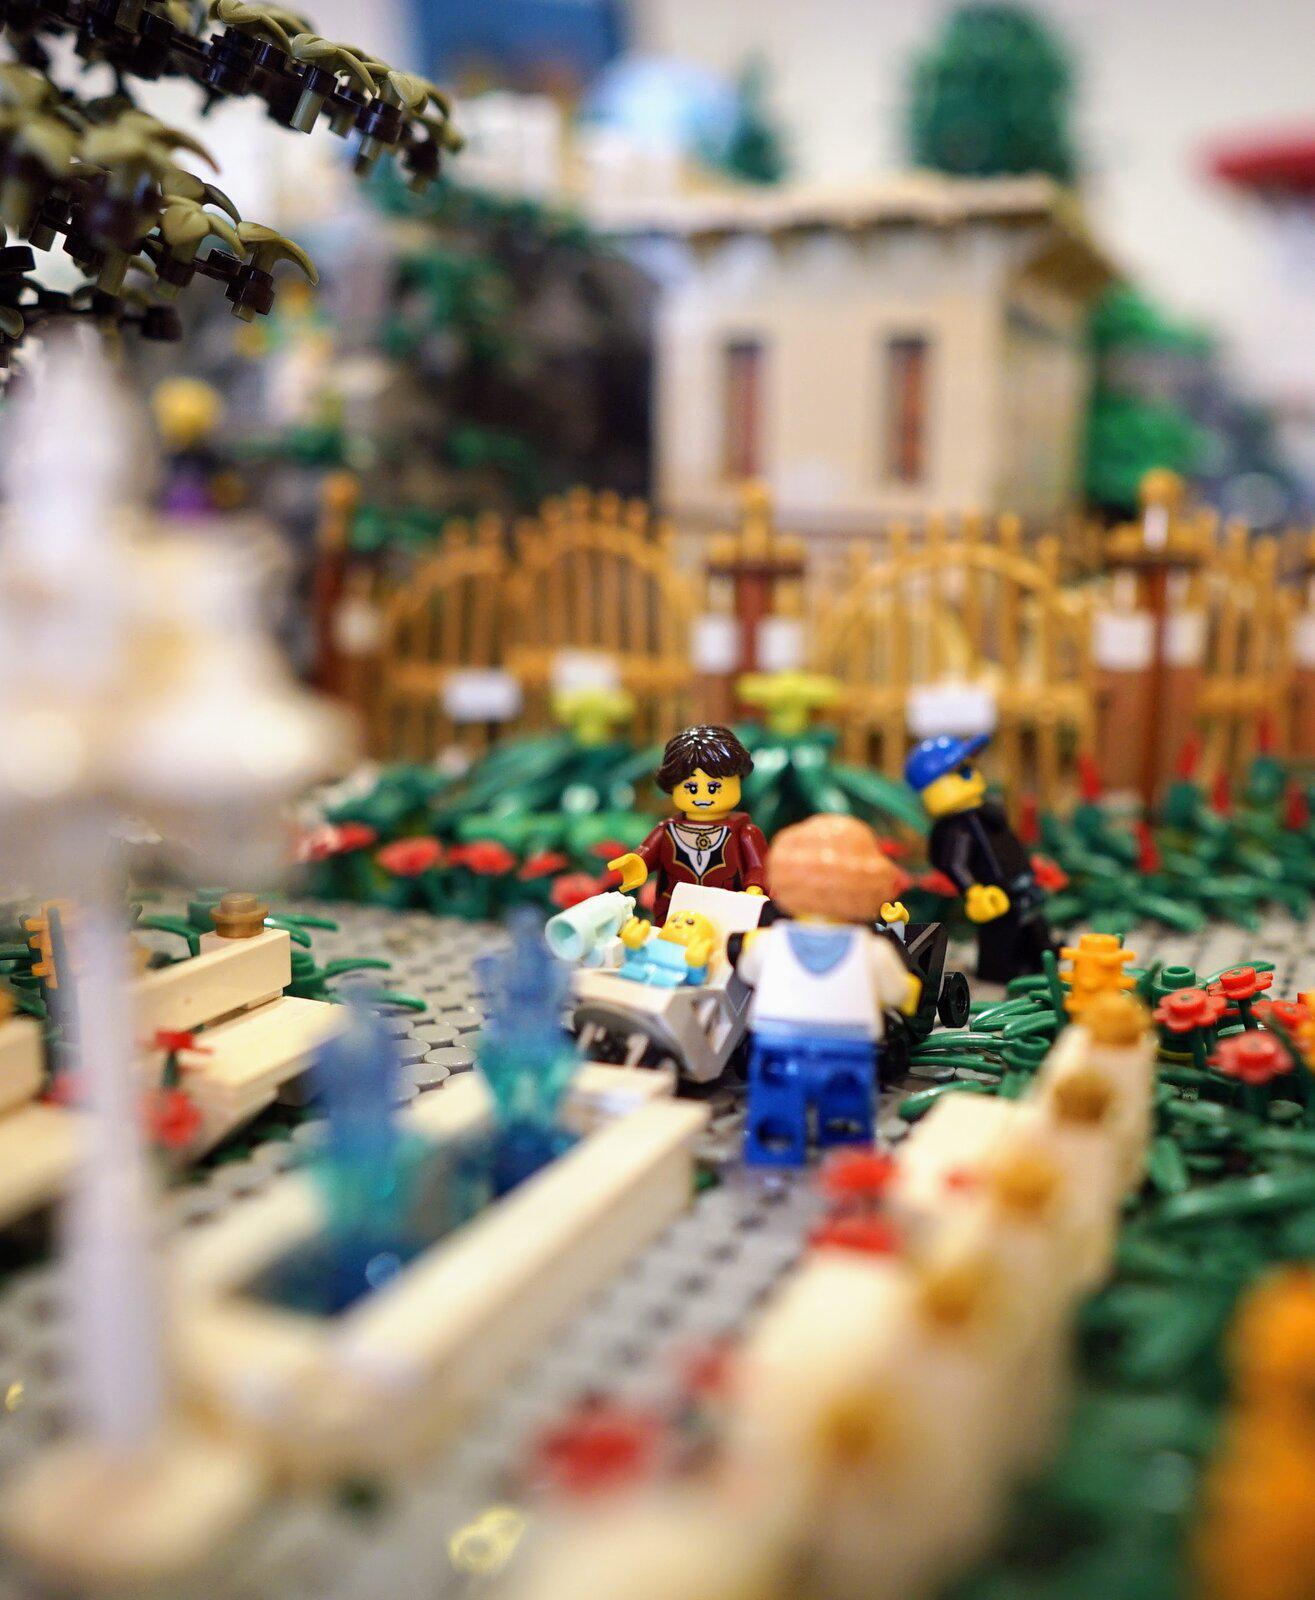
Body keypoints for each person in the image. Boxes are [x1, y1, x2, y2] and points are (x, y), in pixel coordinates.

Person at [736, 814, 918, 1167]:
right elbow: (897, 994)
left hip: (778, 1041)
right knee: (845, 1113)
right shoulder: (873, 950)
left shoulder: (768, 942)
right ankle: (845, 1156)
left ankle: (775, 1149)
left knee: (776, 1107)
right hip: (847, 1045)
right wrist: (907, 991)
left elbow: (748, 972)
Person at [905, 732, 1054, 984]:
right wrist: (973, 892)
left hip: (1020, 882)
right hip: (994, 894)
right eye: (961, 771)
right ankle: (1002, 972)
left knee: (1033, 922)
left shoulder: (984, 814)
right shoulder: (956, 829)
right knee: (1002, 933)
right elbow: (955, 864)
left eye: (970, 768)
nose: (972, 775)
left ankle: (1040, 955)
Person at [608, 726, 768, 923]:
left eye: (714, 787)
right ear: (672, 786)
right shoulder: (667, 830)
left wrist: (754, 889)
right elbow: (646, 853)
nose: (702, 796)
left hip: (727, 913)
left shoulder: (745, 832)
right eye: (691, 788)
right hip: (675, 913)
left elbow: (759, 868)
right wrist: (637, 863)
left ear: (738, 781)